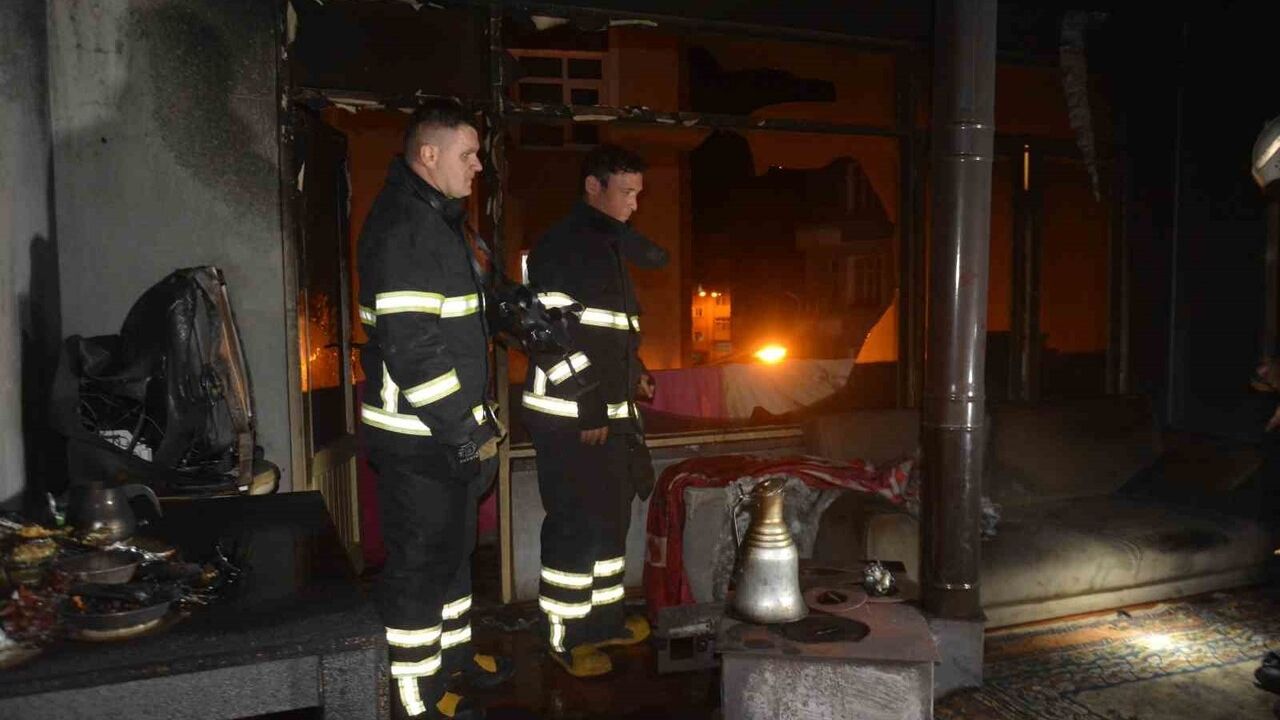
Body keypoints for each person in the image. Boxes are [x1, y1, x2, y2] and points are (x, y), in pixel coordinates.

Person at [357, 98, 512, 719]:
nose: (479, 166)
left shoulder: (440, 222)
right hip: (421, 437)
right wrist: (461, 431)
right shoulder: (405, 228)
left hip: (445, 433)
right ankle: (415, 693)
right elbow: (413, 348)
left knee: (452, 553)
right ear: (428, 155)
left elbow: (454, 323)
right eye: (468, 154)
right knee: (421, 564)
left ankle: (453, 660)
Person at [520, 144, 667, 677]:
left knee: (609, 523)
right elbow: (547, 336)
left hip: (608, 413)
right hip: (572, 418)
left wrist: (638, 373)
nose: (634, 204)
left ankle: (602, 624)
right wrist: (588, 408)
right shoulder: (562, 246)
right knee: (576, 526)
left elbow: (611, 334)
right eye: (626, 191)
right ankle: (565, 638)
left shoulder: (607, 247)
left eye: (638, 194)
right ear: (593, 186)